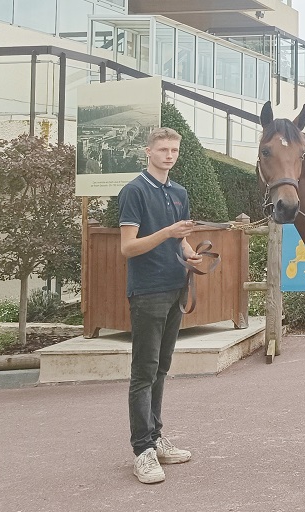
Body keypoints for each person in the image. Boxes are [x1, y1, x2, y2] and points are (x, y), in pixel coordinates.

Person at [118, 127, 202, 484]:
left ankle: (155, 439)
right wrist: (168, 233)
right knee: (144, 372)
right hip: (148, 292)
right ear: (148, 152)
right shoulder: (134, 191)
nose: (169, 155)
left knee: (162, 368)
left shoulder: (179, 192)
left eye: (174, 150)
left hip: (175, 288)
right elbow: (128, 247)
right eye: (163, 149)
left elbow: (180, 242)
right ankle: (143, 451)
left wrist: (190, 253)